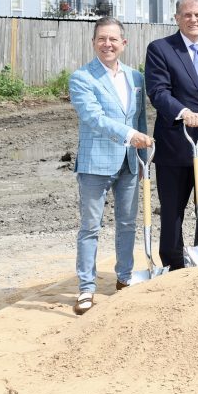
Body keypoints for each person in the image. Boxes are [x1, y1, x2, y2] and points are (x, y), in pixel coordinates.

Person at [68, 17, 153, 314]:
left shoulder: (135, 77)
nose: (108, 44)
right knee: (90, 227)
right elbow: (93, 118)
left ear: (123, 44)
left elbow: (139, 117)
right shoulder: (82, 78)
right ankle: (86, 288)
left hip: (130, 162)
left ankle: (124, 278)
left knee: (127, 224)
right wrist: (131, 136)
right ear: (93, 43)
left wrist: (142, 155)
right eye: (102, 39)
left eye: (113, 39)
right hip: (96, 163)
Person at [145, 0, 198, 270]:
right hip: (176, 145)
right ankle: (173, 266)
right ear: (177, 18)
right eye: (187, 14)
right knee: (173, 211)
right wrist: (183, 113)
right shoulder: (160, 49)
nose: (194, 19)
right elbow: (158, 91)